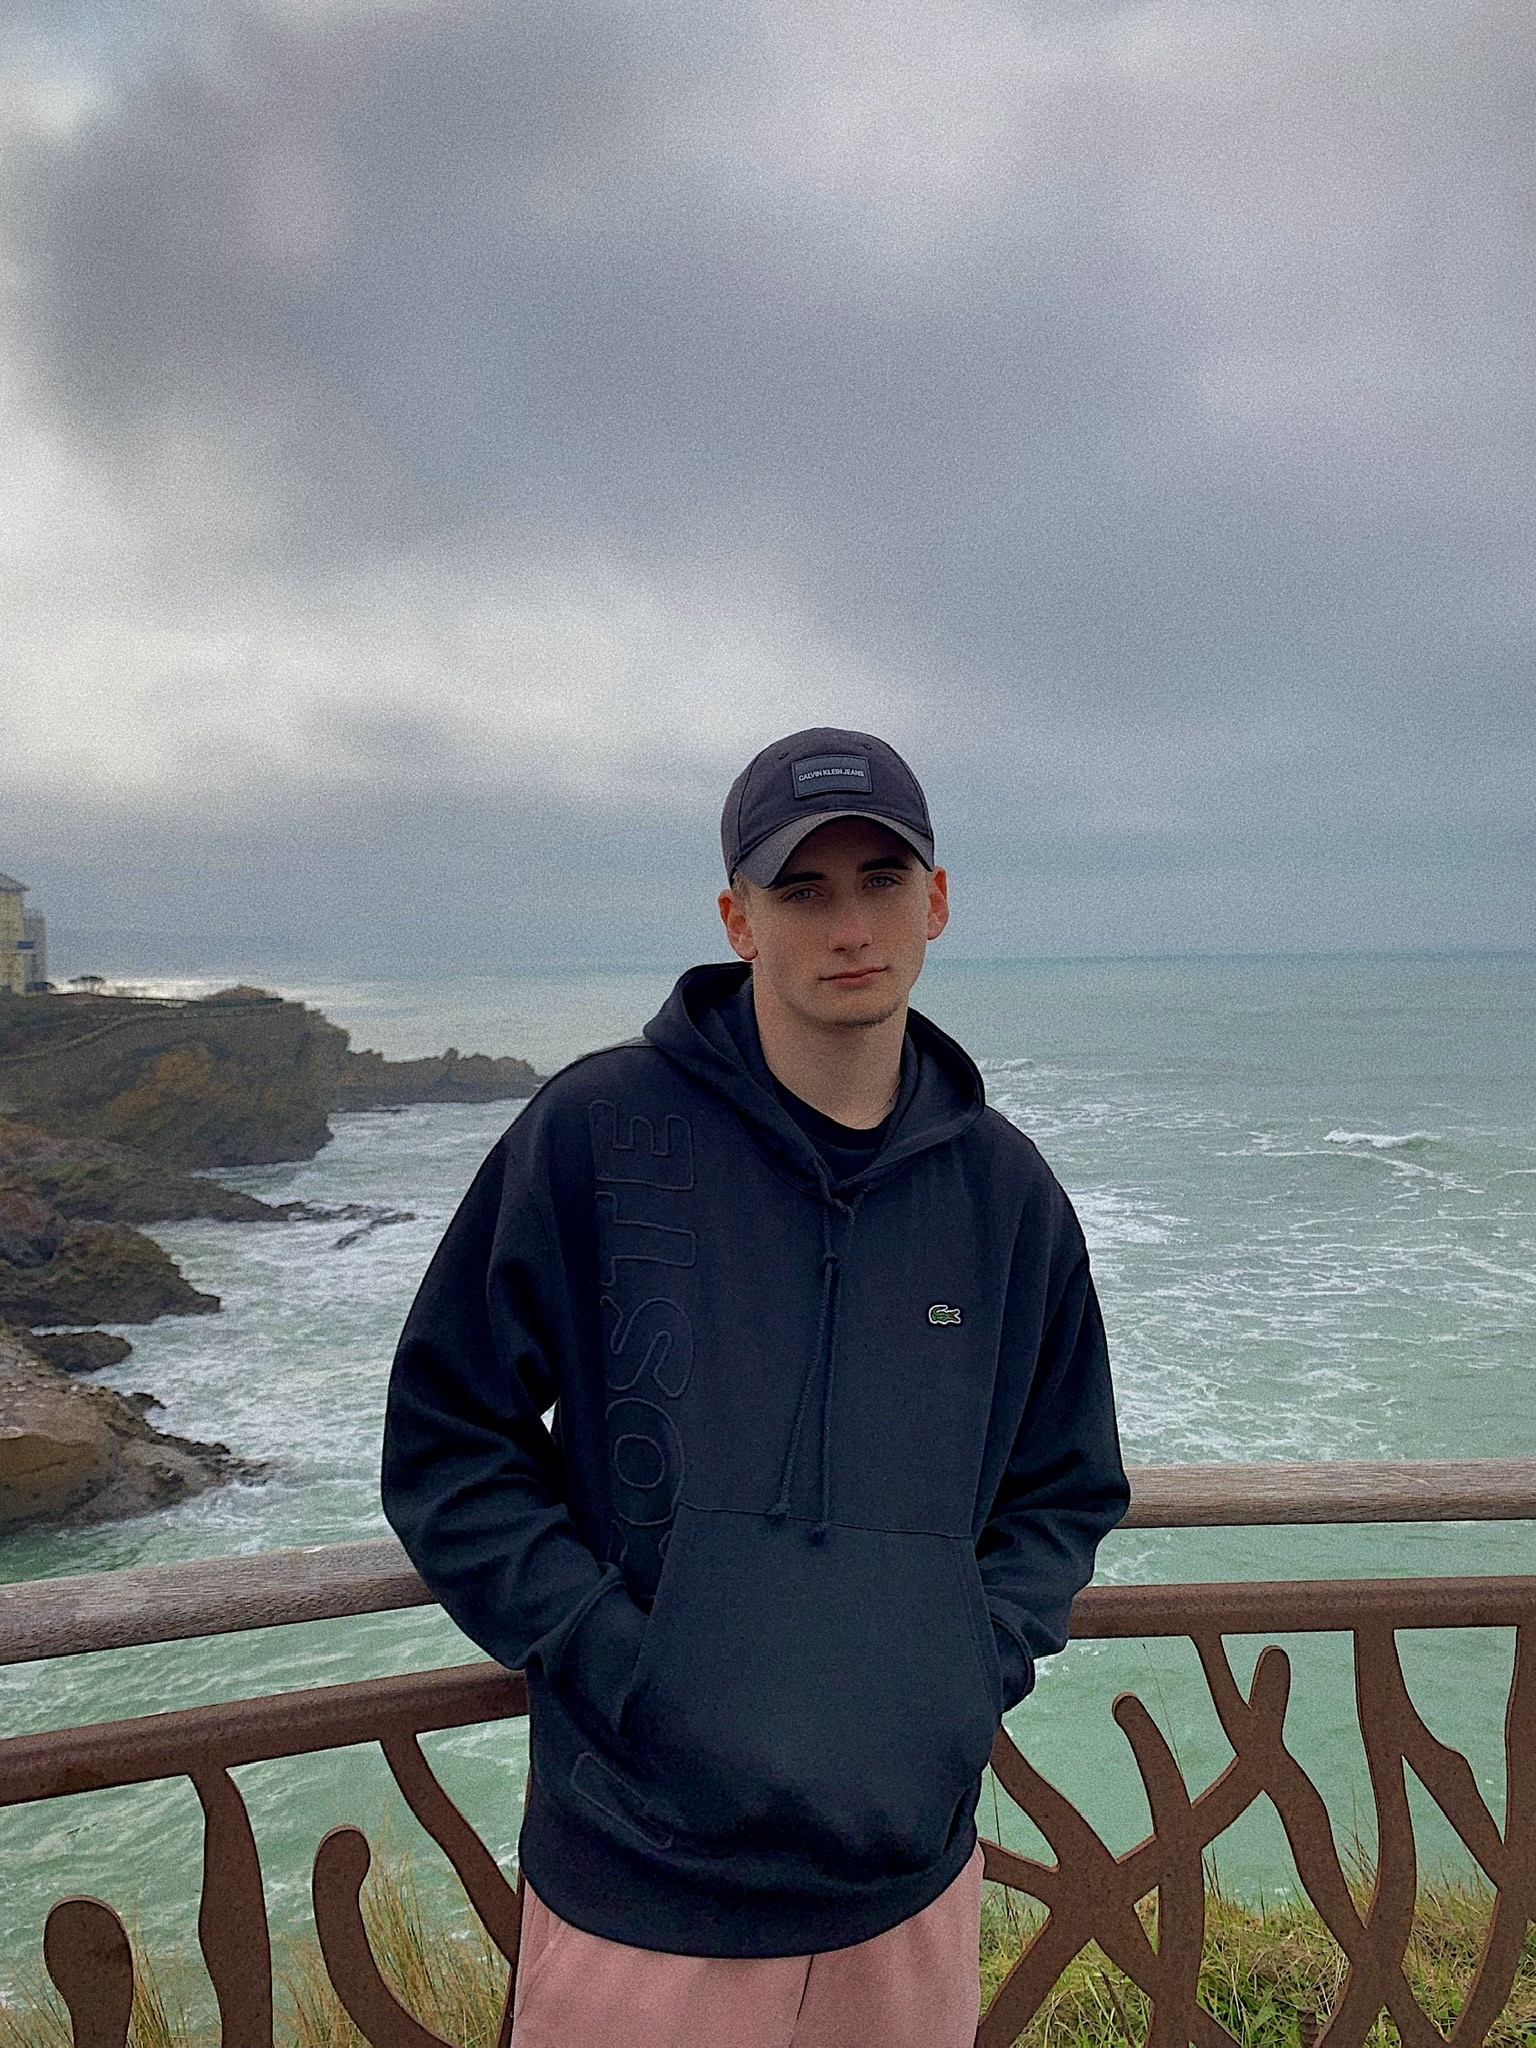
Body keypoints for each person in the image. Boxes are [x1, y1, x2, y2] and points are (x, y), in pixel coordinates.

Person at [381, 726, 1128, 2048]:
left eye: (881, 880)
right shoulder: (597, 1134)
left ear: (937, 901)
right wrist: (620, 1661)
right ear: (738, 920)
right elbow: (449, 1439)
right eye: (802, 889)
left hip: (906, 1883)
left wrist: (962, 1667)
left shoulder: (1007, 1195)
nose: (850, 925)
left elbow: (1064, 1484)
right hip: (641, 1881)